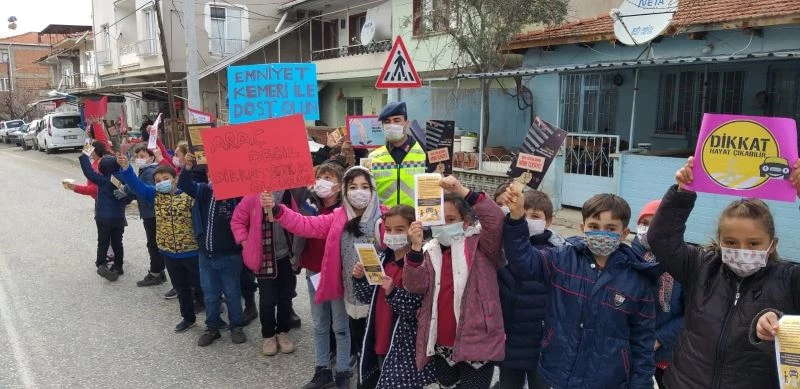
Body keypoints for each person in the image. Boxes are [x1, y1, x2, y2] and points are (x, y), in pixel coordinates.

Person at [648, 156, 800, 389]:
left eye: (753, 244)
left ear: (772, 244)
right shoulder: (701, 267)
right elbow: (662, 239)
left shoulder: (788, 280)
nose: (742, 250)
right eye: (731, 241)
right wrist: (683, 192)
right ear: (719, 241)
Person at [502, 185, 657, 389]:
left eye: (611, 229)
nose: (602, 233)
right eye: (594, 226)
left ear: (624, 233)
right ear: (583, 228)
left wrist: (641, 384)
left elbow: (642, 343)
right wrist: (516, 218)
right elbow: (524, 261)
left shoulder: (637, 280)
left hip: (607, 380)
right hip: (558, 373)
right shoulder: (562, 259)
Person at [262, 166, 387, 389]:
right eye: (354, 187)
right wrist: (278, 210)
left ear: (373, 190)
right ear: (346, 192)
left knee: (377, 346)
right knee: (351, 337)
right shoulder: (337, 217)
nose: (359, 192)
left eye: (365, 187)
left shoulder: (384, 217)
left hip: (380, 297)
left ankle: (366, 378)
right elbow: (306, 224)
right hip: (347, 291)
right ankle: (339, 375)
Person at [403, 176, 505, 389]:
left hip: (477, 341)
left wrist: (463, 191)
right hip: (442, 341)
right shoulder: (430, 249)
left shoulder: (480, 245)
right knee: (446, 384)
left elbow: (495, 219)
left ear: (466, 221)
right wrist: (414, 250)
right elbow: (415, 286)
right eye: (438, 219)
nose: (443, 225)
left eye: (450, 219)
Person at [116, 155, 204, 333]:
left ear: (175, 179)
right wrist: (126, 168)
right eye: (157, 180)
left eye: (166, 179)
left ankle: (213, 317)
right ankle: (188, 318)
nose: (161, 182)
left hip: (192, 251)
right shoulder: (154, 195)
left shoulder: (188, 195)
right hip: (169, 252)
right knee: (181, 288)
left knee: (201, 286)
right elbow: (136, 185)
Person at [352, 205, 436, 389]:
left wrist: (393, 292)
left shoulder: (421, 265)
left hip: (403, 348)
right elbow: (367, 297)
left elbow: (415, 309)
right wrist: (358, 279)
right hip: (378, 339)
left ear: (413, 231)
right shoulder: (383, 260)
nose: (392, 234)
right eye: (388, 229)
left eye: (400, 230)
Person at [495, 188, 564, 389]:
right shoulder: (499, 248)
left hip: (542, 343)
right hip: (509, 340)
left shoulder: (557, 253)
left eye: (535, 216)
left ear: (548, 221)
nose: (529, 221)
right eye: (524, 215)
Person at [178, 153, 247, 347]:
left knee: (232, 292)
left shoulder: (236, 196)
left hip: (230, 255)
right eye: (213, 174)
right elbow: (184, 184)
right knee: (209, 294)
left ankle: (236, 326)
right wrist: (187, 167)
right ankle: (213, 327)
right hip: (205, 256)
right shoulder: (202, 191)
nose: (216, 178)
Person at [630, 200, 684, 389]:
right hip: (630, 347)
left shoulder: (682, 265)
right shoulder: (626, 258)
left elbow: (689, 313)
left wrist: (659, 338)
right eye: (645, 223)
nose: (650, 229)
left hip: (666, 351)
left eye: (657, 223)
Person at [78, 150, 131, 282]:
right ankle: (118, 266)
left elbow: (88, 172)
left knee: (103, 242)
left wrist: (84, 155)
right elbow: (130, 196)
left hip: (103, 217)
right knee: (117, 242)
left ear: (102, 168)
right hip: (119, 217)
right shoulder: (123, 179)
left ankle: (101, 264)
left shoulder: (103, 180)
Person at [120, 145, 167, 287]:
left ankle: (155, 273)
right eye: (137, 156)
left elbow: (144, 190)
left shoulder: (150, 172)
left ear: (152, 158)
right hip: (148, 212)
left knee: (153, 244)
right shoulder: (145, 170)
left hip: (151, 214)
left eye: (143, 156)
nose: (139, 159)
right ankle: (159, 270)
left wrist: (128, 191)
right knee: (154, 243)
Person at [368, 101, 426, 207]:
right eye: (387, 121)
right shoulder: (373, 157)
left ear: (406, 123)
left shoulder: (424, 153)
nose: (392, 125)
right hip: (385, 220)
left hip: (415, 219)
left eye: (396, 120)